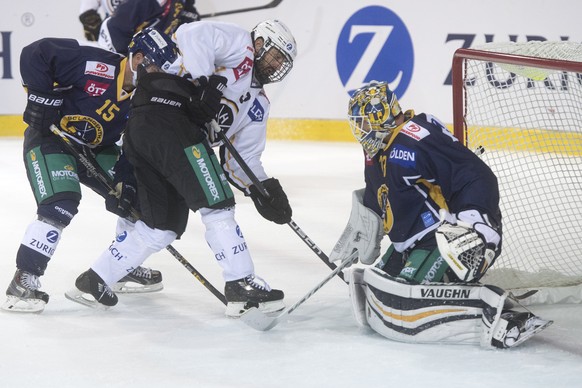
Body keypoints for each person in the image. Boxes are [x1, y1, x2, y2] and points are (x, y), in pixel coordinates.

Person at [66, 19, 297, 318]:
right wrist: (202, 84)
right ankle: (241, 284)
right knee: (218, 203)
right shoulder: (241, 45)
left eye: (282, 61)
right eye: (275, 54)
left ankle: (94, 280)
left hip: (160, 132)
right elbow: (192, 33)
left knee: (162, 225)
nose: (276, 63)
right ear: (261, 42)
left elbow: (243, 158)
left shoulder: (259, 105)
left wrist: (262, 188)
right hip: (166, 117)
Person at [329, 81, 552, 349]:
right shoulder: (376, 150)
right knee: (380, 285)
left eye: (363, 123)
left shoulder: (416, 139)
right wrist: (365, 225)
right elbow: (380, 195)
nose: (359, 130)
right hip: (408, 244)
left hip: (446, 239)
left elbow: (475, 175)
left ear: (381, 117)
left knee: (407, 293)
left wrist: (478, 222)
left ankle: (506, 314)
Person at [1, 28, 179, 313]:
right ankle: (24, 280)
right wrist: (40, 98)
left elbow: (134, 145)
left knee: (139, 198)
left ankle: (122, 265)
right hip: (52, 138)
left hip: (99, 148)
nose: (159, 77)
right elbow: (36, 53)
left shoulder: (146, 97)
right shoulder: (97, 65)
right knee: (61, 205)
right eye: (155, 68)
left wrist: (126, 180)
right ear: (138, 58)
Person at [97, 0, 201, 55]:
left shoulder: (182, 3)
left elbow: (186, 12)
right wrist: (131, 58)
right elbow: (113, 28)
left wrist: (191, 18)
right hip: (114, 50)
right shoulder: (142, 3)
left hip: (146, 53)